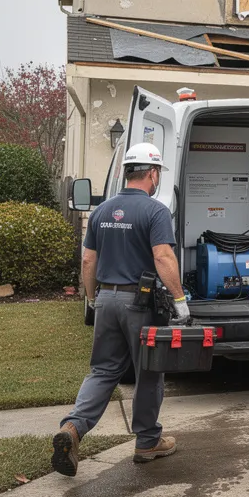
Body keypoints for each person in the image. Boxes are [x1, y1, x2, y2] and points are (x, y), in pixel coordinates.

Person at [51, 142, 190, 476]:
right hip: (140, 304)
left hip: (107, 300)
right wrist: (180, 301)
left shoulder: (101, 211)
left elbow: (87, 259)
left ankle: (73, 428)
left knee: (102, 371)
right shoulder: (155, 211)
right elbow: (163, 257)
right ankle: (147, 442)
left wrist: (93, 297)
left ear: (127, 171)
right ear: (153, 174)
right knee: (149, 372)